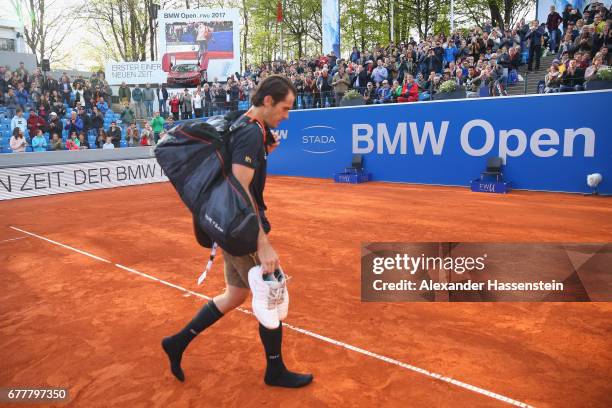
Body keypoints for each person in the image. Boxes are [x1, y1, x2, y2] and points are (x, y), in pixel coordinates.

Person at [161, 75, 313, 389]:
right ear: (268, 101)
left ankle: (176, 342)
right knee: (271, 293)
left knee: (236, 294)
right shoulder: (251, 135)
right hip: (240, 226)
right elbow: (239, 187)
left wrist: (266, 149)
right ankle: (275, 371)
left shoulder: (244, 123)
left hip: (224, 223)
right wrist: (263, 242)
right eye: (285, 108)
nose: (287, 115)